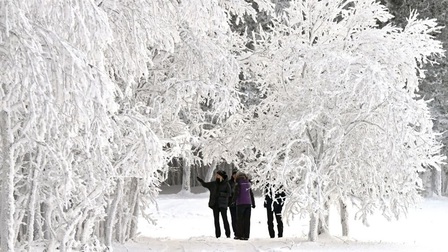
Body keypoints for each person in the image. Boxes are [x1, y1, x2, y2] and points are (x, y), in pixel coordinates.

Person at [197, 170, 231, 238]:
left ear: (221, 176)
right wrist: (201, 181)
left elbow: (229, 193)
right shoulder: (213, 184)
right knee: (216, 220)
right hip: (215, 204)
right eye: (216, 175)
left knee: (225, 219)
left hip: (223, 204)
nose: (216, 176)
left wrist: (221, 194)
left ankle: (228, 234)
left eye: (218, 175)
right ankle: (218, 235)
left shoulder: (226, 184)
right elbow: (205, 185)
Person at [232, 172, 255, 240]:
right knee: (247, 220)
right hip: (248, 203)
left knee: (240, 220)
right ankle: (246, 235)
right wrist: (253, 203)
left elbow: (236, 193)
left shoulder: (238, 183)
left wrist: (232, 201)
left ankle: (239, 235)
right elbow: (251, 194)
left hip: (240, 203)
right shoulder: (248, 183)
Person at [228, 169, 238, 237]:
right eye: (234, 174)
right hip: (231, 203)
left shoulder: (240, 182)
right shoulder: (229, 182)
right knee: (233, 218)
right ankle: (235, 232)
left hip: (239, 203)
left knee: (239, 218)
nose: (235, 176)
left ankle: (239, 231)